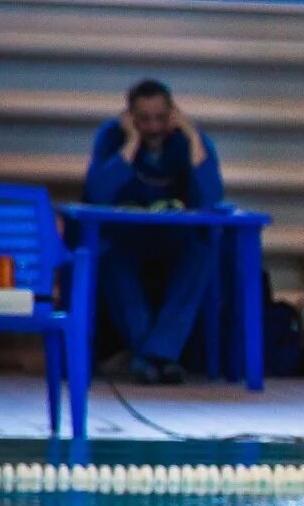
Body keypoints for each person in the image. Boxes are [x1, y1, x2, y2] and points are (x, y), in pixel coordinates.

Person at [82, 79, 225, 384]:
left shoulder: (189, 140)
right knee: (109, 258)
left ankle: (152, 355)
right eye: (144, 119)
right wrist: (131, 144)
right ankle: (159, 356)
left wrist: (192, 138)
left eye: (160, 118)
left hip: (173, 237)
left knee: (200, 255)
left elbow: (211, 198)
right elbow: (97, 193)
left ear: (172, 114)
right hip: (126, 238)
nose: (153, 127)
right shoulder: (112, 137)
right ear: (131, 117)